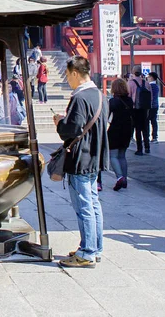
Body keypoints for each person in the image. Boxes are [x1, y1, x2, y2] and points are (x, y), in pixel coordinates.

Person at [53, 56, 108, 268]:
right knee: (93, 204)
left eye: (68, 75)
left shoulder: (80, 98)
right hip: (95, 156)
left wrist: (60, 122)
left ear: (76, 73)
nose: (68, 80)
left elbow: (72, 129)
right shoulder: (100, 95)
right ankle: (95, 247)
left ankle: (86, 253)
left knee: (84, 205)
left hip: (81, 158)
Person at [107, 78, 133, 191]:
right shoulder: (129, 100)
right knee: (122, 155)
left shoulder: (113, 102)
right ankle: (125, 179)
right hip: (127, 130)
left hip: (115, 129)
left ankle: (119, 177)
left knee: (113, 155)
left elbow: (106, 117)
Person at [128, 65, 152, 155]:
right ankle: (147, 147)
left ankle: (139, 149)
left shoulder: (130, 83)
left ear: (133, 73)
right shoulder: (146, 83)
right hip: (145, 108)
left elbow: (128, 97)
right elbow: (151, 96)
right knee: (145, 128)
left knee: (137, 129)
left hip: (135, 109)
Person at [147, 72, 160, 144]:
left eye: (148, 77)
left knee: (147, 121)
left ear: (151, 77)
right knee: (153, 121)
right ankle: (154, 137)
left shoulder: (150, 86)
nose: (147, 78)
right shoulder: (156, 86)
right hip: (155, 106)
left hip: (150, 106)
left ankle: (148, 136)